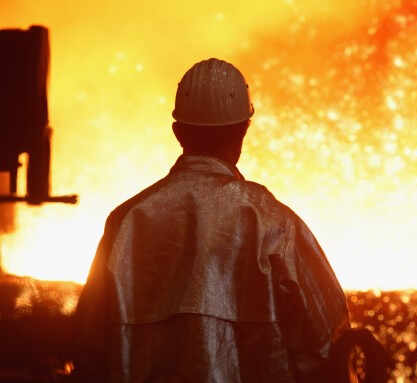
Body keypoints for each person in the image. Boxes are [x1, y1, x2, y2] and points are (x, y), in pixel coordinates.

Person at [73, 58, 349, 383]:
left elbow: (88, 344)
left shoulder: (125, 221)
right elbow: (327, 338)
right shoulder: (272, 221)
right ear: (244, 128)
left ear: (177, 131)